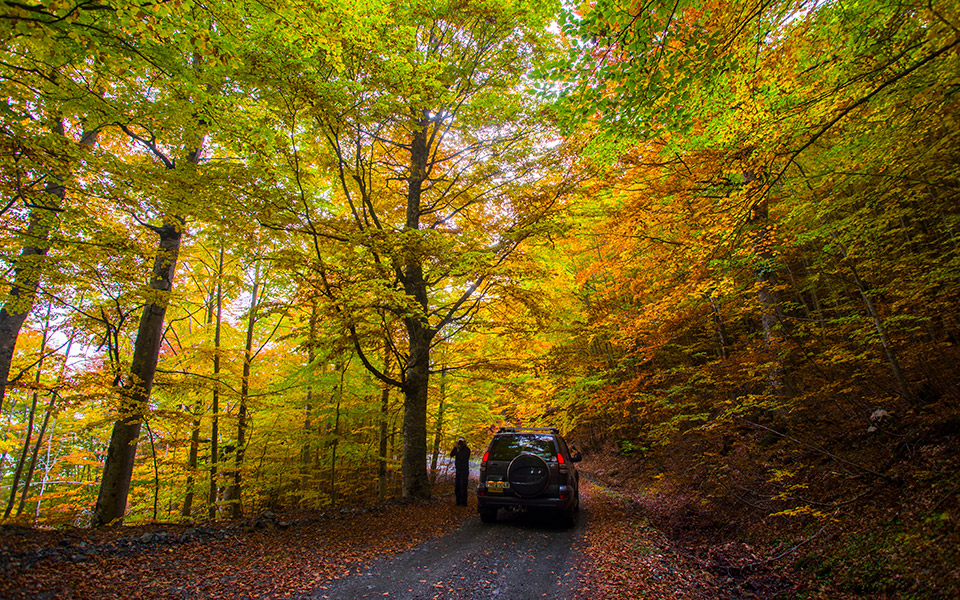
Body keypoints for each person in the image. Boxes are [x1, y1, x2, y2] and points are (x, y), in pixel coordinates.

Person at [450, 437, 470, 506]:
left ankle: (464, 502)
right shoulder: (457, 449)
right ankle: (458, 501)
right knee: (457, 486)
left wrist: (458, 451)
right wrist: (455, 448)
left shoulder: (466, 450)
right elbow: (451, 454)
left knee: (463, 486)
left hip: (464, 470)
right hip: (458, 470)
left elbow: (463, 458)